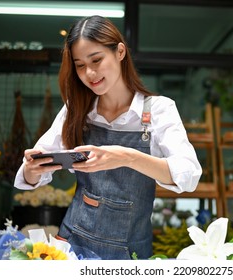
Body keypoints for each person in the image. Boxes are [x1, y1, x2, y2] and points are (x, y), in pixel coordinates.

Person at [14, 15, 202, 260]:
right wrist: (33, 168)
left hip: (129, 253)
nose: (89, 73)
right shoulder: (77, 108)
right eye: (80, 65)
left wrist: (126, 157)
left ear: (120, 52)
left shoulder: (157, 110)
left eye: (96, 59)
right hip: (71, 247)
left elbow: (189, 175)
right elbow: (29, 176)